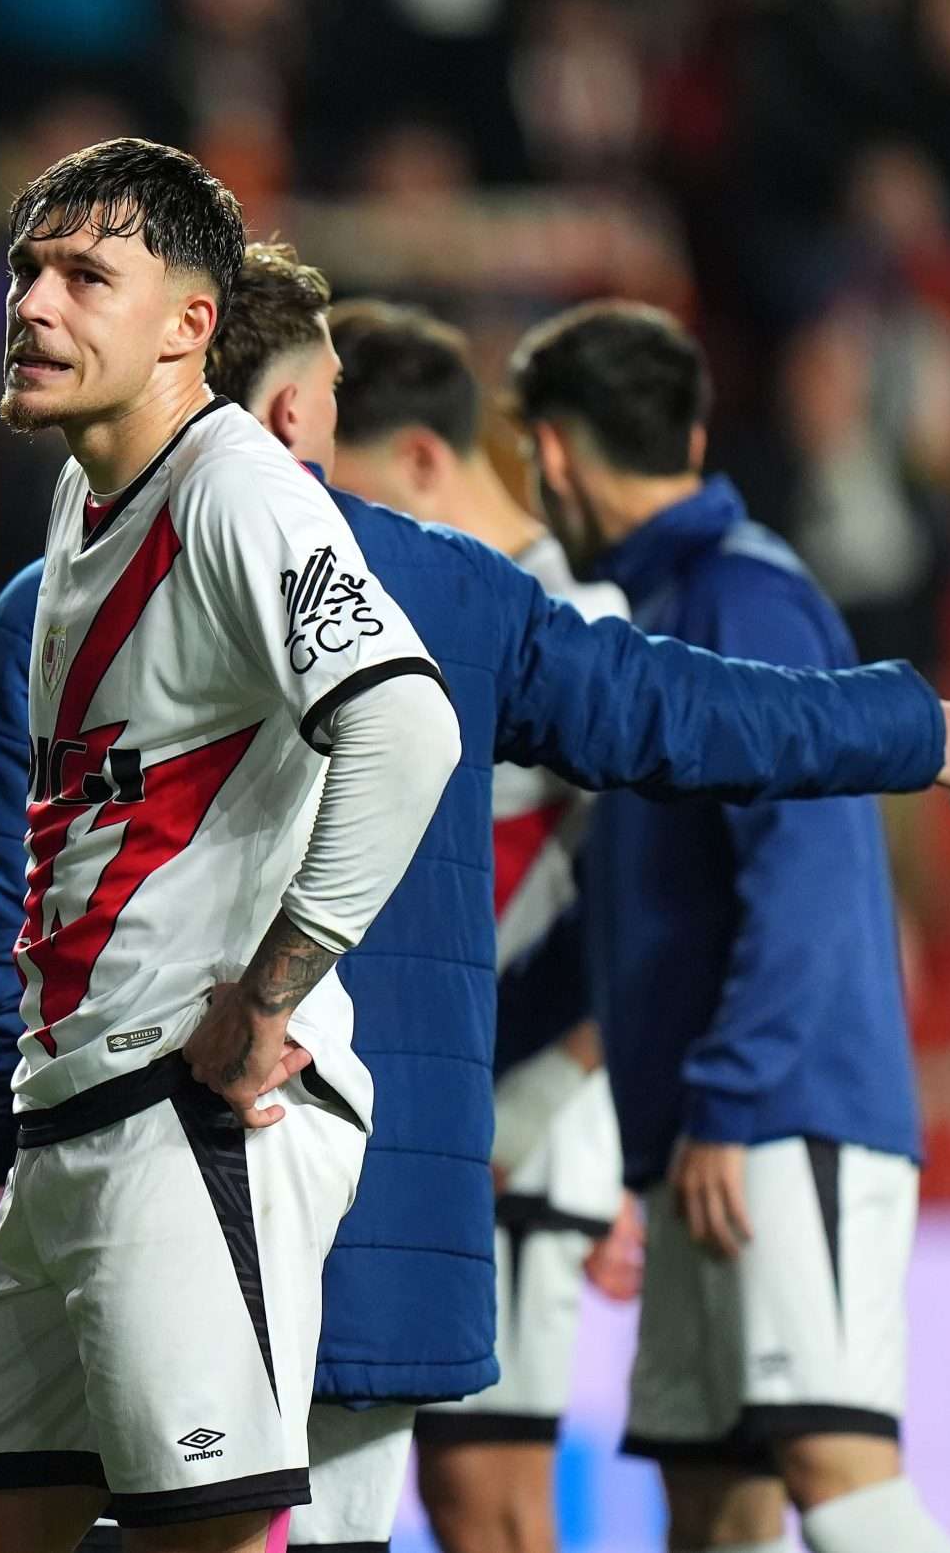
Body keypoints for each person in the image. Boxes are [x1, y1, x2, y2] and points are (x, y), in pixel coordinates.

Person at [0, 247, 950, 1552]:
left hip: (119, 1167)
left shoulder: (40, 605)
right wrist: (894, 720)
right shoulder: (447, 588)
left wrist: (7, 1132)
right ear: (297, 409)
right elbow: (681, 713)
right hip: (378, 1207)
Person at [0, 139, 464, 1553]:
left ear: (190, 326)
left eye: (87, 276)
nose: (34, 304)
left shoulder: (235, 491)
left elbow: (409, 727)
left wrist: (273, 990)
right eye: (28, 269)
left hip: (187, 1116)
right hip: (76, 1123)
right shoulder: (90, 491)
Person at [510, 300, 950, 1553]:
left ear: (549, 452)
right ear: (693, 430)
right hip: (705, 1132)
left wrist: (732, 1093)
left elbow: (807, 865)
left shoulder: (739, 599)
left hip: (779, 1114)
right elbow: (623, 907)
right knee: (715, 1505)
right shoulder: (656, 616)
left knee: (838, 1466)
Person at [316, 300, 632, 1553]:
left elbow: (636, 893)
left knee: (488, 1502)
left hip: (516, 1122)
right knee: (443, 1493)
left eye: (345, 495)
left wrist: (545, 1098)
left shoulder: (576, 624)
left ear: (420, 465)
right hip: (444, 1113)